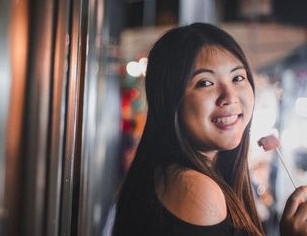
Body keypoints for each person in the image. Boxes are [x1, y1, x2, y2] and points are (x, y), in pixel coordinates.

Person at [112, 23, 307, 236]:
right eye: (205, 83)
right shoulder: (193, 188)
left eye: (237, 78)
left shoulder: (171, 174)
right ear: (168, 99)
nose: (229, 96)